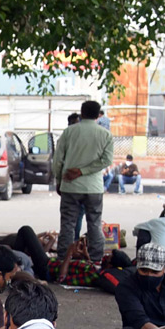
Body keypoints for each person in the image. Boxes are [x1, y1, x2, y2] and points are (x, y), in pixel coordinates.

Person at [54, 99, 114, 265]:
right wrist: (85, 171)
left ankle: (63, 259)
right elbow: (107, 160)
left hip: (70, 186)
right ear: (98, 115)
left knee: (67, 224)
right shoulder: (105, 134)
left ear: (82, 112)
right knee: (94, 223)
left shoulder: (69, 132)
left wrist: (59, 179)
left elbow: (58, 159)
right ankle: (95, 260)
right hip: (94, 187)